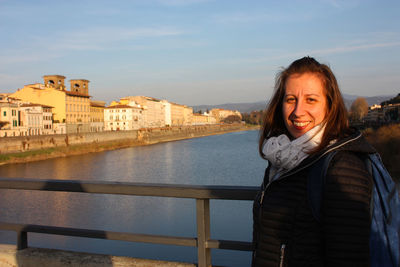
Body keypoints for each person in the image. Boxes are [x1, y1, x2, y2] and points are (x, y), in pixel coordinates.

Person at [253, 56, 375, 266]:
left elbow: (349, 257)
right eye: (291, 99)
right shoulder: (284, 157)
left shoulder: (343, 167)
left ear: (330, 105)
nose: (298, 111)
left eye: (311, 99)